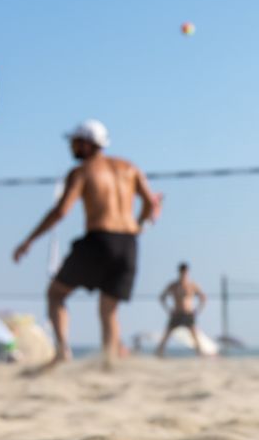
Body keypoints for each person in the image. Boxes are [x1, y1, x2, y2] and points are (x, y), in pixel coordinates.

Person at [12, 120, 161, 366]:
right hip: (129, 243)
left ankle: (62, 351)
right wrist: (139, 225)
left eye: (74, 142)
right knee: (109, 310)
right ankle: (109, 363)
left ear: (86, 144)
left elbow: (61, 211)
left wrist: (28, 240)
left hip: (99, 239)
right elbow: (150, 202)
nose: (71, 147)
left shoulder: (82, 171)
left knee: (56, 294)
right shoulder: (130, 168)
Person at [156, 263, 208, 357]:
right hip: (176, 313)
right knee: (167, 333)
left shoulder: (192, 285)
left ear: (188, 272)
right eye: (182, 272)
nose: (184, 274)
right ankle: (159, 352)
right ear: (179, 272)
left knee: (194, 334)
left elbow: (203, 298)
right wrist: (168, 309)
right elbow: (161, 297)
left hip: (188, 313)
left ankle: (200, 353)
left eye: (185, 272)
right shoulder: (173, 285)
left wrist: (198, 310)